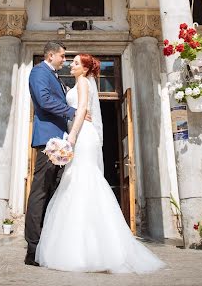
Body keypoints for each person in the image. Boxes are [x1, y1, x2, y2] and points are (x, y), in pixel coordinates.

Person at [35, 53, 166, 274]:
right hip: (77, 133)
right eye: (71, 62)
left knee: (84, 179)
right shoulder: (76, 83)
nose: (71, 65)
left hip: (83, 136)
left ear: (85, 69)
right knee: (74, 181)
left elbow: (83, 110)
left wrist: (72, 138)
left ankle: (97, 249)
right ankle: (83, 247)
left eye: (76, 63)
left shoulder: (84, 83)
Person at [24, 41, 90, 266]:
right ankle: (32, 249)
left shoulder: (56, 76)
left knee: (54, 191)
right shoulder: (38, 72)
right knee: (40, 191)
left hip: (60, 142)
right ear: (51, 55)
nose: (65, 60)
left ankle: (47, 245)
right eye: (62, 56)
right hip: (47, 141)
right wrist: (72, 111)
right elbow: (44, 100)